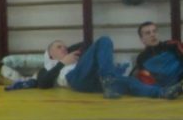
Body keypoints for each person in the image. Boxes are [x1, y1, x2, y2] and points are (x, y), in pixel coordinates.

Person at [37, 37, 181, 99]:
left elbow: (86, 43)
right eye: (59, 47)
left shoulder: (73, 58)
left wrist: (68, 53)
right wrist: (62, 62)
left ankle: (163, 93)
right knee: (104, 39)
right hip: (76, 78)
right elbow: (43, 83)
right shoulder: (48, 67)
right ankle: (109, 80)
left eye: (65, 46)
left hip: (95, 82)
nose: (64, 48)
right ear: (50, 53)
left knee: (129, 82)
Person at [131, 21, 183, 87]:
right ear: (142, 39)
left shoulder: (173, 45)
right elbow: (146, 80)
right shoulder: (141, 58)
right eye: (148, 33)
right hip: (161, 90)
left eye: (154, 31)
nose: (152, 35)